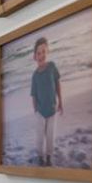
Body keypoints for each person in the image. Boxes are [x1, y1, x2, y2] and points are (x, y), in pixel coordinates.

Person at [30, 37, 63, 166]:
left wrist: (61, 102)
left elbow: (57, 84)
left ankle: (49, 156)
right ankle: (40, 156)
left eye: (44, 51)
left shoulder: (52, 67)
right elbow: (33, 94)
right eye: (38, 53)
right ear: (34, 57)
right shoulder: (35, 75)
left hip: (52, 110)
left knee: (50, 136)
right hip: (40, 112)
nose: (41, 55)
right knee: (39, 137)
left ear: (47, 52)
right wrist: (36, 111)